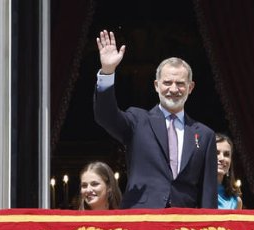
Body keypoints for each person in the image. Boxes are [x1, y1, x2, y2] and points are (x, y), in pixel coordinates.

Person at [93, 29, 217, 209]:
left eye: (180, 84)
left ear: (190, 87)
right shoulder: (138, 121)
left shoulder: (205, 135)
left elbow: (208, 193)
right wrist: (107, 71)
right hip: (142, 220)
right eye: (167, 83)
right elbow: (105, 116)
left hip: (184, 225)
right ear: (156, 86)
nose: (173, 89)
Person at [216, 133, 242, 210]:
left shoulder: (236, 201)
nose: (222, 158)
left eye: (226, 154)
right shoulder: (196, 193)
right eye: (216, 153)